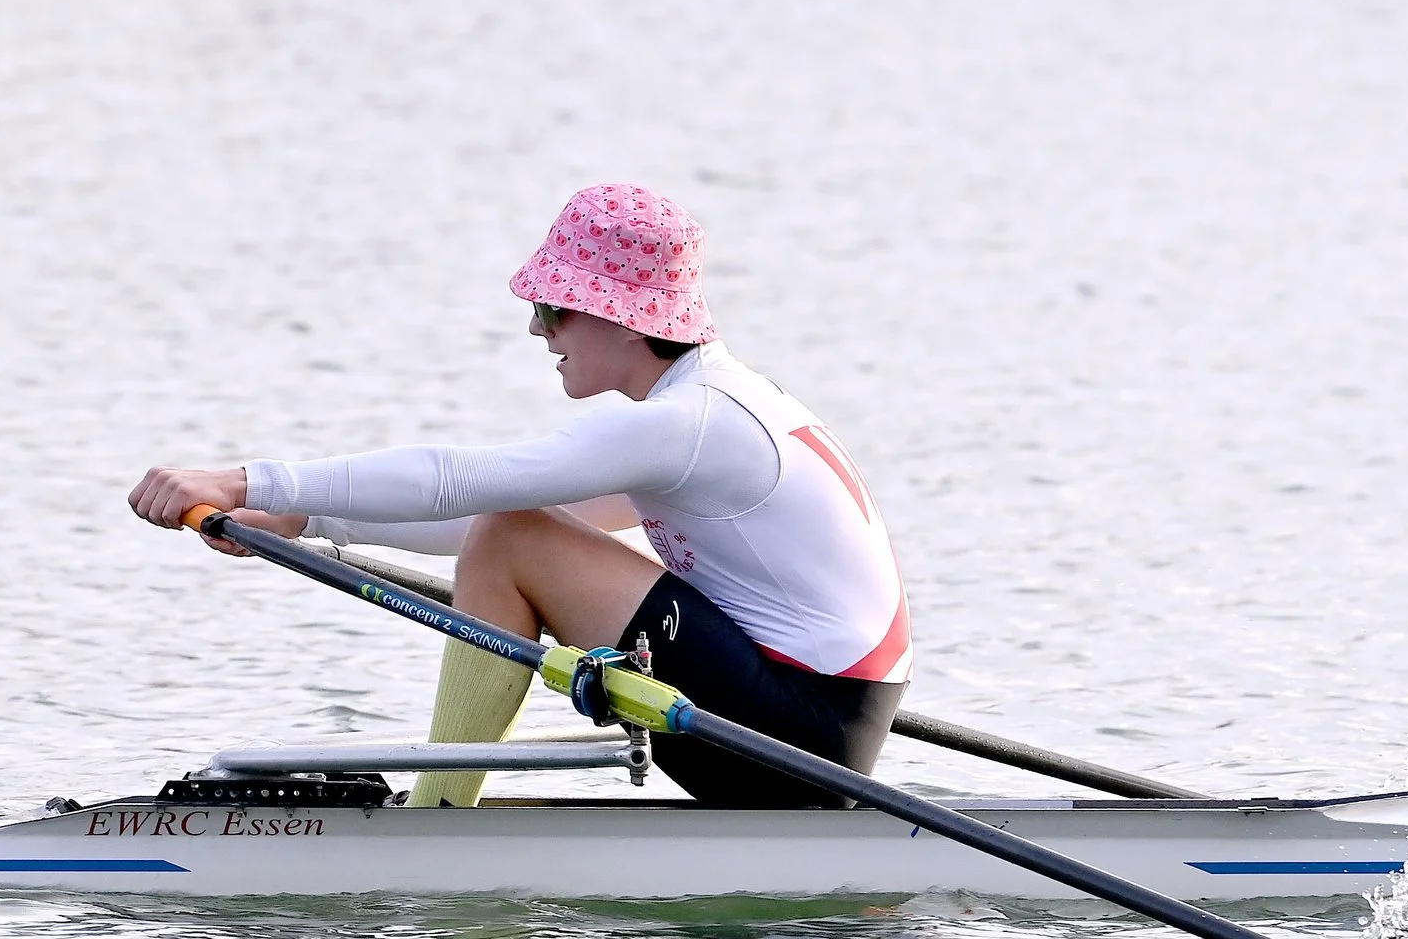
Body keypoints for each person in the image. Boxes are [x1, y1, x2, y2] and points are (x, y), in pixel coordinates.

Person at [129, 183, 910, 809]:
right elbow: (486, 529)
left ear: (627, 322)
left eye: (553, 308)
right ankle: (444, 807)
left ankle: (438, 815)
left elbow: (465, 483)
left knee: (514, 534)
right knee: (512, 535)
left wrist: (245, 478)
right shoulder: (708, 413)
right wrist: (306, 518)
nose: (540, 331)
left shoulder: (688, 423)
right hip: (824, 729)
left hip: (800, 738)